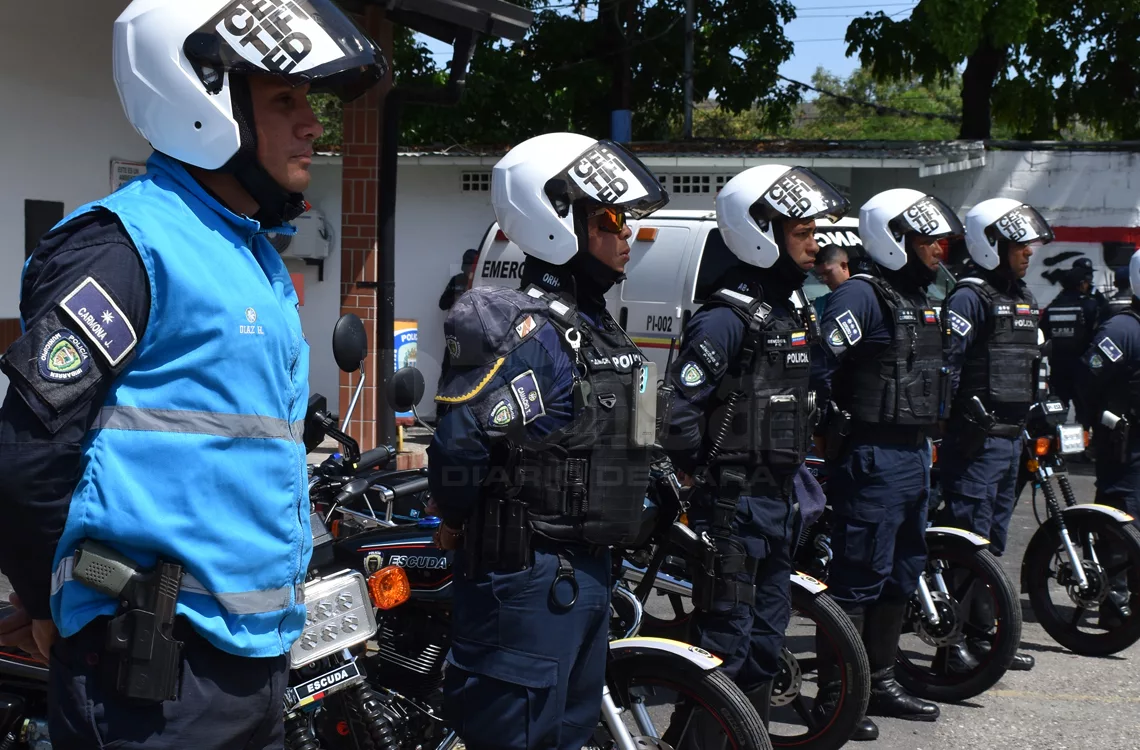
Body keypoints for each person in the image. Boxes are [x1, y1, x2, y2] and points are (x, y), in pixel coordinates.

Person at [0, 1, 385, 747]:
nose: (313, 122)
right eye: (285, 99)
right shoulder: (126, 248)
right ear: (201, 105)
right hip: (150, 677)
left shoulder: (249, 253)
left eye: (306, 99)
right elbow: (27, 455)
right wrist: (48, 603)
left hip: (251, 661)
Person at [426, 132, 668, 750]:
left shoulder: (603, 331)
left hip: (588, 573)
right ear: (558, 218)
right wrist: (455, 518)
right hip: (528, 577)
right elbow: (460, 443)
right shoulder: (520, 330)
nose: (627, 236)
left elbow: (642, 433)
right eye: (611, 218)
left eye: (628, 220)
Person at [661, 164, 849, 725]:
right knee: (725, 648)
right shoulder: (724, 319)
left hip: (782, 502)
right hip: (734, 510)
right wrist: (700, 476)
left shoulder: (792, 312)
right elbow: (676, 415)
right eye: (803, 234)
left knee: (766, 649)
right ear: (761, 232)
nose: (816, 246)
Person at [811, 188, 961, 735]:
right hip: (872, 456)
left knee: (901, 571)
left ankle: (881, 681)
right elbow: (818, 365)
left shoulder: (919, 299)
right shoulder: (861, 297)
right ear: (895, 240)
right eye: (928, 241)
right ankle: (838, 694)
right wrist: (832, 431)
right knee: (858, 576)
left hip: (913, 452)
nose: (939, 250)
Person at [938, 198, 1056, 672]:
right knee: (968, 543)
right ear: (992, 244)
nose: (1029, 251)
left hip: (1010, 439)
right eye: (1019, 244)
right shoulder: (970, 296)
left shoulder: (1018, 293)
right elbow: (946, 363)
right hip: (977, 441)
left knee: (993, 543)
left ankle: (986, 637)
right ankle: (952, 646)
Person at [1074, 248, 1140, 627]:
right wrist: (1101, 420)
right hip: (1126, 448)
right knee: (1120, 528)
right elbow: (1088, 377)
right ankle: (1114, 606)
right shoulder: (1122, 329)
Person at [1041, 262, 1099, 408]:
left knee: (1057, 412)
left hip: (1058, 369)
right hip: (1082, 368)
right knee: (1085, 412)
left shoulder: (1052, 307)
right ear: (1081, 284)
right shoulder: (1089, 305)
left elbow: (1043, 333)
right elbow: (1097, 334)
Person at [812, 245, 851, 318]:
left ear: (843, 266)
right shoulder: (819, 305)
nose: (824, 279)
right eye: (820, 275)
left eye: (827, 272)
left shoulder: (867, 297)